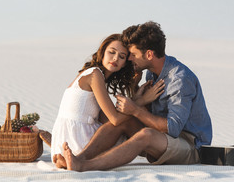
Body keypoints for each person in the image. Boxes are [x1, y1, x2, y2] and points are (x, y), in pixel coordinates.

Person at [56, 21, 212, 171]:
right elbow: (145, 113)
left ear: (149, 54)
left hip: (190, 145)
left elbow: (173, 128)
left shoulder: (179, 79)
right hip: (162, 139)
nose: (129, 59)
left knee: (146, 134)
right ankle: (79, 159)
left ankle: (85, 166)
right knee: (122, 122)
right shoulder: (152, 73)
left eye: (133, 54)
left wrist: (136, 110)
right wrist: (135, 89)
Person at [51, 33, 164, 164]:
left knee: (127, 118)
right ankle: (156, 152)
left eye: (122, 56)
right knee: (127, 122)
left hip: (63, 142)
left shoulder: (93, 75)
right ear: (102, 52)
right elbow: (115, 119)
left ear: (124, 64)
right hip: (76, 141)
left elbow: (105, 118)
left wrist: (135, 95)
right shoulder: (95, 74)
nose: (115, 58)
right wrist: (143, 100)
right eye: (112, 52)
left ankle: (153, 151)